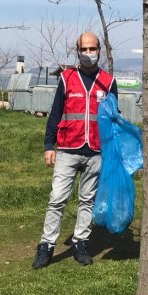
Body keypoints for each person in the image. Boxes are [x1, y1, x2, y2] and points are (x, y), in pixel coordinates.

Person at [32, 32, 117, 269]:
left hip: (96, 150)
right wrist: (49, 145)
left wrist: (113, 151)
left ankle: (81, 242)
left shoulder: (108, 81)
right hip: (68, 148)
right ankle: (46, 246)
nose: (88, 53)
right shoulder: (67, 78)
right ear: (77, 51)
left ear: (99, 50)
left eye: (93, 49)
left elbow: (113, 118)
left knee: (87, 200)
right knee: (57, 198)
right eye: (84, 49)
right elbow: (56, 113)